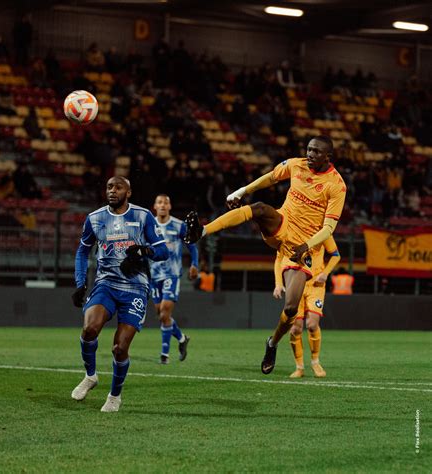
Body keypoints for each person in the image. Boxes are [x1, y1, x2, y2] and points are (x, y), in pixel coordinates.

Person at [184, 135, 346, 375]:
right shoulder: (296, 164)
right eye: (309, 149)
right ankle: (203, 230)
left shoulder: (336, 185)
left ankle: (272, 344)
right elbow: (271, 177)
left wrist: (306, 245)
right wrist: (242, 191)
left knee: (291, 309)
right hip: (283, 223)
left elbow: (329, 228)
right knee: (259, 208)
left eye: (316, 152)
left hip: (302, 247)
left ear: (327, 156)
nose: (310, 154)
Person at [71, 176, 169, 412]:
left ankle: (115, 395)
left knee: (120, 348)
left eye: (118, 187)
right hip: (106, 283)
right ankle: (90, 376)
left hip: (135, 288)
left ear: (129, 192)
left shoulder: (142, 216)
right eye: (109, 187)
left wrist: (144, 251)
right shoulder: (94, 219)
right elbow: (82, 252)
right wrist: (80, 283)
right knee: (89, 328)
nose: (112, 191)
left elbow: (163, 250)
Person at [273, 237, 341, 378]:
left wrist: (325, 273)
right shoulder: (290, 231)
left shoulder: (322, 231)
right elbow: (279, 259)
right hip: (297, 284)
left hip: (315, 285)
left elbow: (335, 255)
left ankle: (315, 362)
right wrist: (278, 283)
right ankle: (299, 367)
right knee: (295, 327)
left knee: (312, 324)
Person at [150, 194, 198, 364]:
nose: (163, 205)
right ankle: (182, 338)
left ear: (170, 206)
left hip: (172, 273)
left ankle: (165, 354)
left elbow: (191, 245)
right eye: (159, 202)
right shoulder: (149, 224)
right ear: (154, 206)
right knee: (160, 314)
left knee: (164, 312)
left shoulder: (179, 225)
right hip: (153, 275)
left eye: (166, 202)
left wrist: (194, 263)